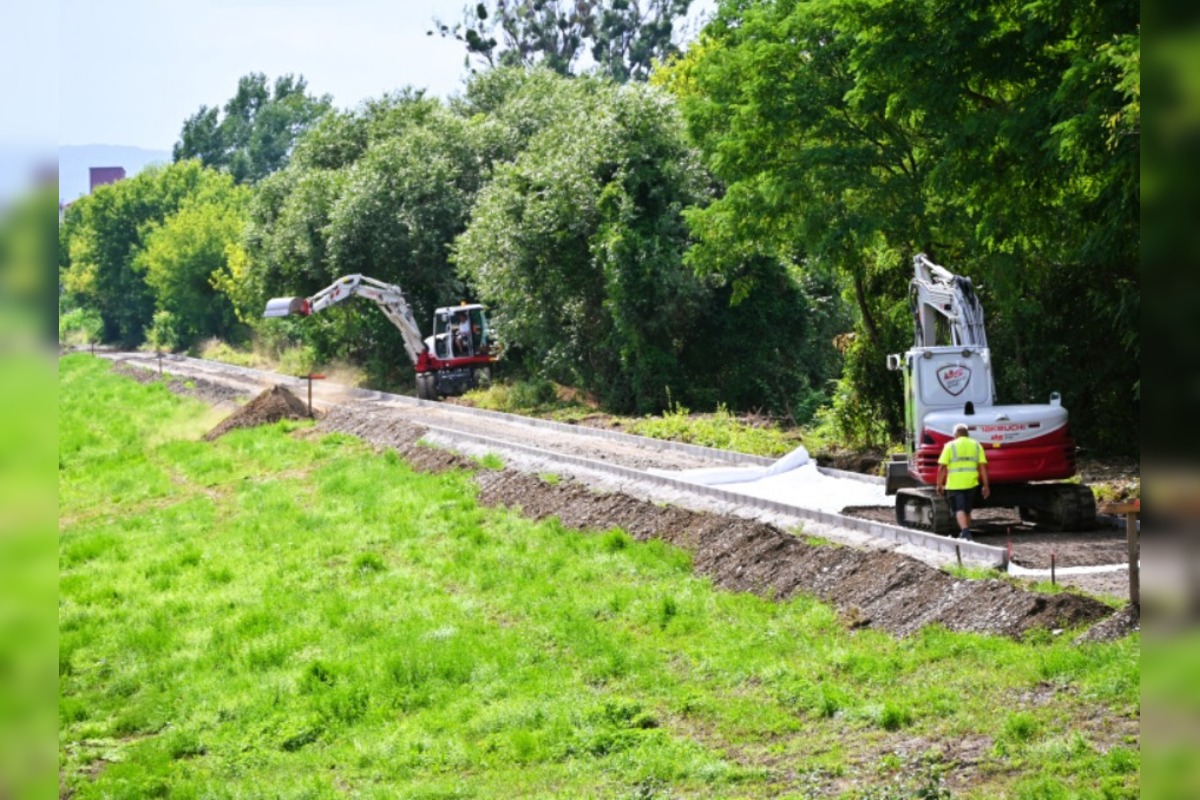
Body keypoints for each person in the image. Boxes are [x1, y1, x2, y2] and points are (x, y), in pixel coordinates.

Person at [936, 423, 990, 540]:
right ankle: (965, 532)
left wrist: (939, 484)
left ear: (955, 434)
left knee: (959, 509)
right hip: (971, 483)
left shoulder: (950, 446)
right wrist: (986, 485)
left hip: (955, 484)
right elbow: (982, 467)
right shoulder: (976, 445)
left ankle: (965, 532)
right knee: (967, 510)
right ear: (967, 434)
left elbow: (942, 467)